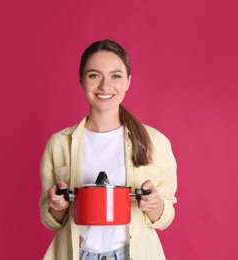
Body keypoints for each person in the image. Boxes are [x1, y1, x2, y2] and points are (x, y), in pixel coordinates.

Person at [39, 39, 177, 260]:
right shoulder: (59, 144)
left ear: (128, 82)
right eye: (94, 75)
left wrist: (155, 204)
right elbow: (51, 220)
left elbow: (166, 217)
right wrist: (57, 205)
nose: (105, 86)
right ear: (81, 80)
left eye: (116, 76)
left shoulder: (155, 142)